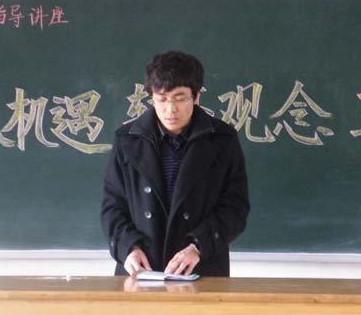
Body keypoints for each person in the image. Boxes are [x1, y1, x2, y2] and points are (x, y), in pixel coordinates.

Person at [101, 51, 250, 277]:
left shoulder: (222, 139)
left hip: (201, 267)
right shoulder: (127, 139)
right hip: (141, 271)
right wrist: (129, 248)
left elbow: (235, 208)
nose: (170, 109)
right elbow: (112, 207)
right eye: (162, 99)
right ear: (152, 97)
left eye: (180, 98)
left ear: (196, 96)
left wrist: (197, 247)